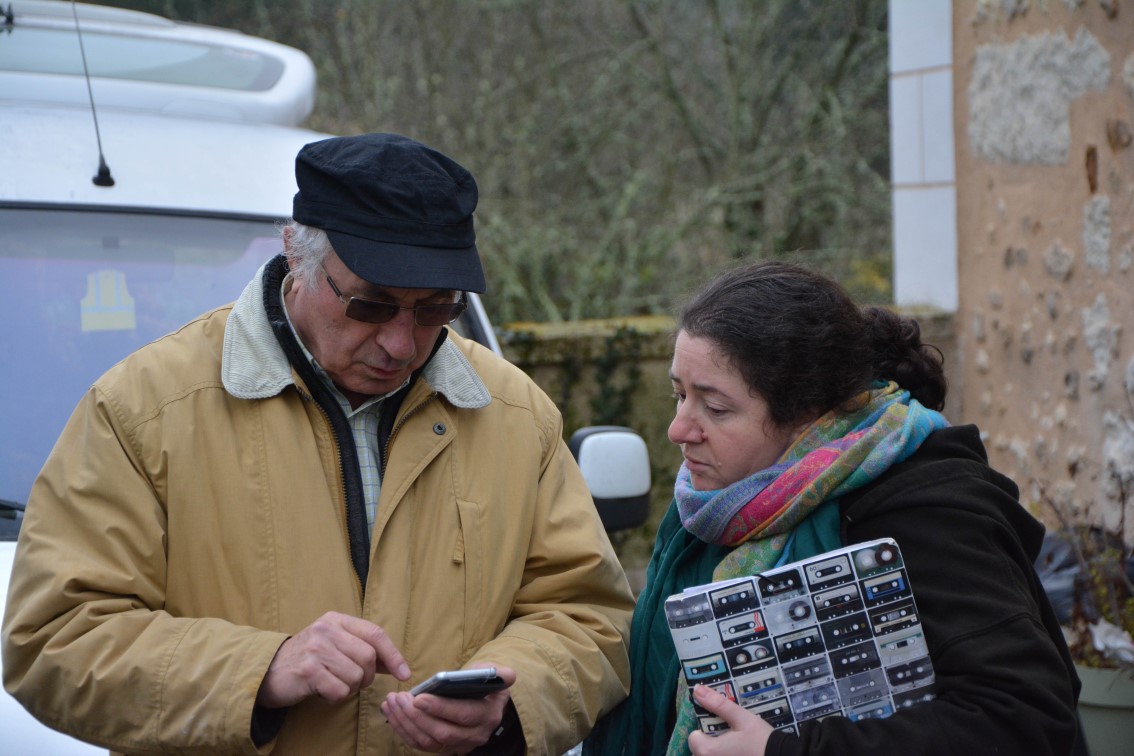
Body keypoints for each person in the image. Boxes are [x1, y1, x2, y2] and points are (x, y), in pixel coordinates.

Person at [2, 132, 635, 755]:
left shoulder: (516, 414)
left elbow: (591, 618)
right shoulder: (142, 409)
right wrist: (260, 671)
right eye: (370, 305)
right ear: (295, 256)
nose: (401, 344)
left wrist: (511, 705)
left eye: (435, 309)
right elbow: (54, 638)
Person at [584, 261, 1083, 755]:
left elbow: (1024, 717)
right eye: (679, 394)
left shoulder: (927, 512)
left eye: (715, 408)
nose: (678, 429)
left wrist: (783, 751)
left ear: (806, 413)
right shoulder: (710, 508)